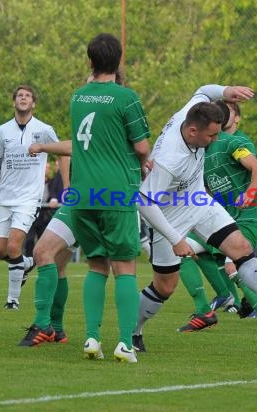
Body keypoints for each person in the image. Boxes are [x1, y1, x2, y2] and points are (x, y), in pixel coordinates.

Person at [133, 85, 257, 353]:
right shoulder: (170, 158)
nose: (216, 140)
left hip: (199, 203)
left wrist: (226, 91)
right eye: (212, 135)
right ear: (193, 131)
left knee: (241, 248)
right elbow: (144, 202)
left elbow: (203, 90)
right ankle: (131, 331)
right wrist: (175, 239)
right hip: (168, 216)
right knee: (165, 286)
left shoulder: (193, 113)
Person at [69, 33, 151, 363]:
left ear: (90, 61)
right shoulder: (125, 97)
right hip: (115, 193)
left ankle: (91, 338)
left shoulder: (77, 96)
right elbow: (142, 147)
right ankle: (123, 343)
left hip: (81, 192)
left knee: (96, 266)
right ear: (118, 61)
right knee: (125, 267)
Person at [178, 100, 257, 336]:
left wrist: (251, 193)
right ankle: (206, 309)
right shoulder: (200, 149)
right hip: (223, 218)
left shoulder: (234, 143)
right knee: (181, 249)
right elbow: (205, 187)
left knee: (231, 265)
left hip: (247, 218)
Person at [0, 84, 59, 310]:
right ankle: (25, 264)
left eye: (27, 96)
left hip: (29, 198)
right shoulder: (2, 130)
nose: (23, 98)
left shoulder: (44, 129)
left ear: (33, 103)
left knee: (14, 245)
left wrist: (68, 184)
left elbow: (63, 153)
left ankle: (12, 300)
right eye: (19, 95)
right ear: (14, 102)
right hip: (5, 197)